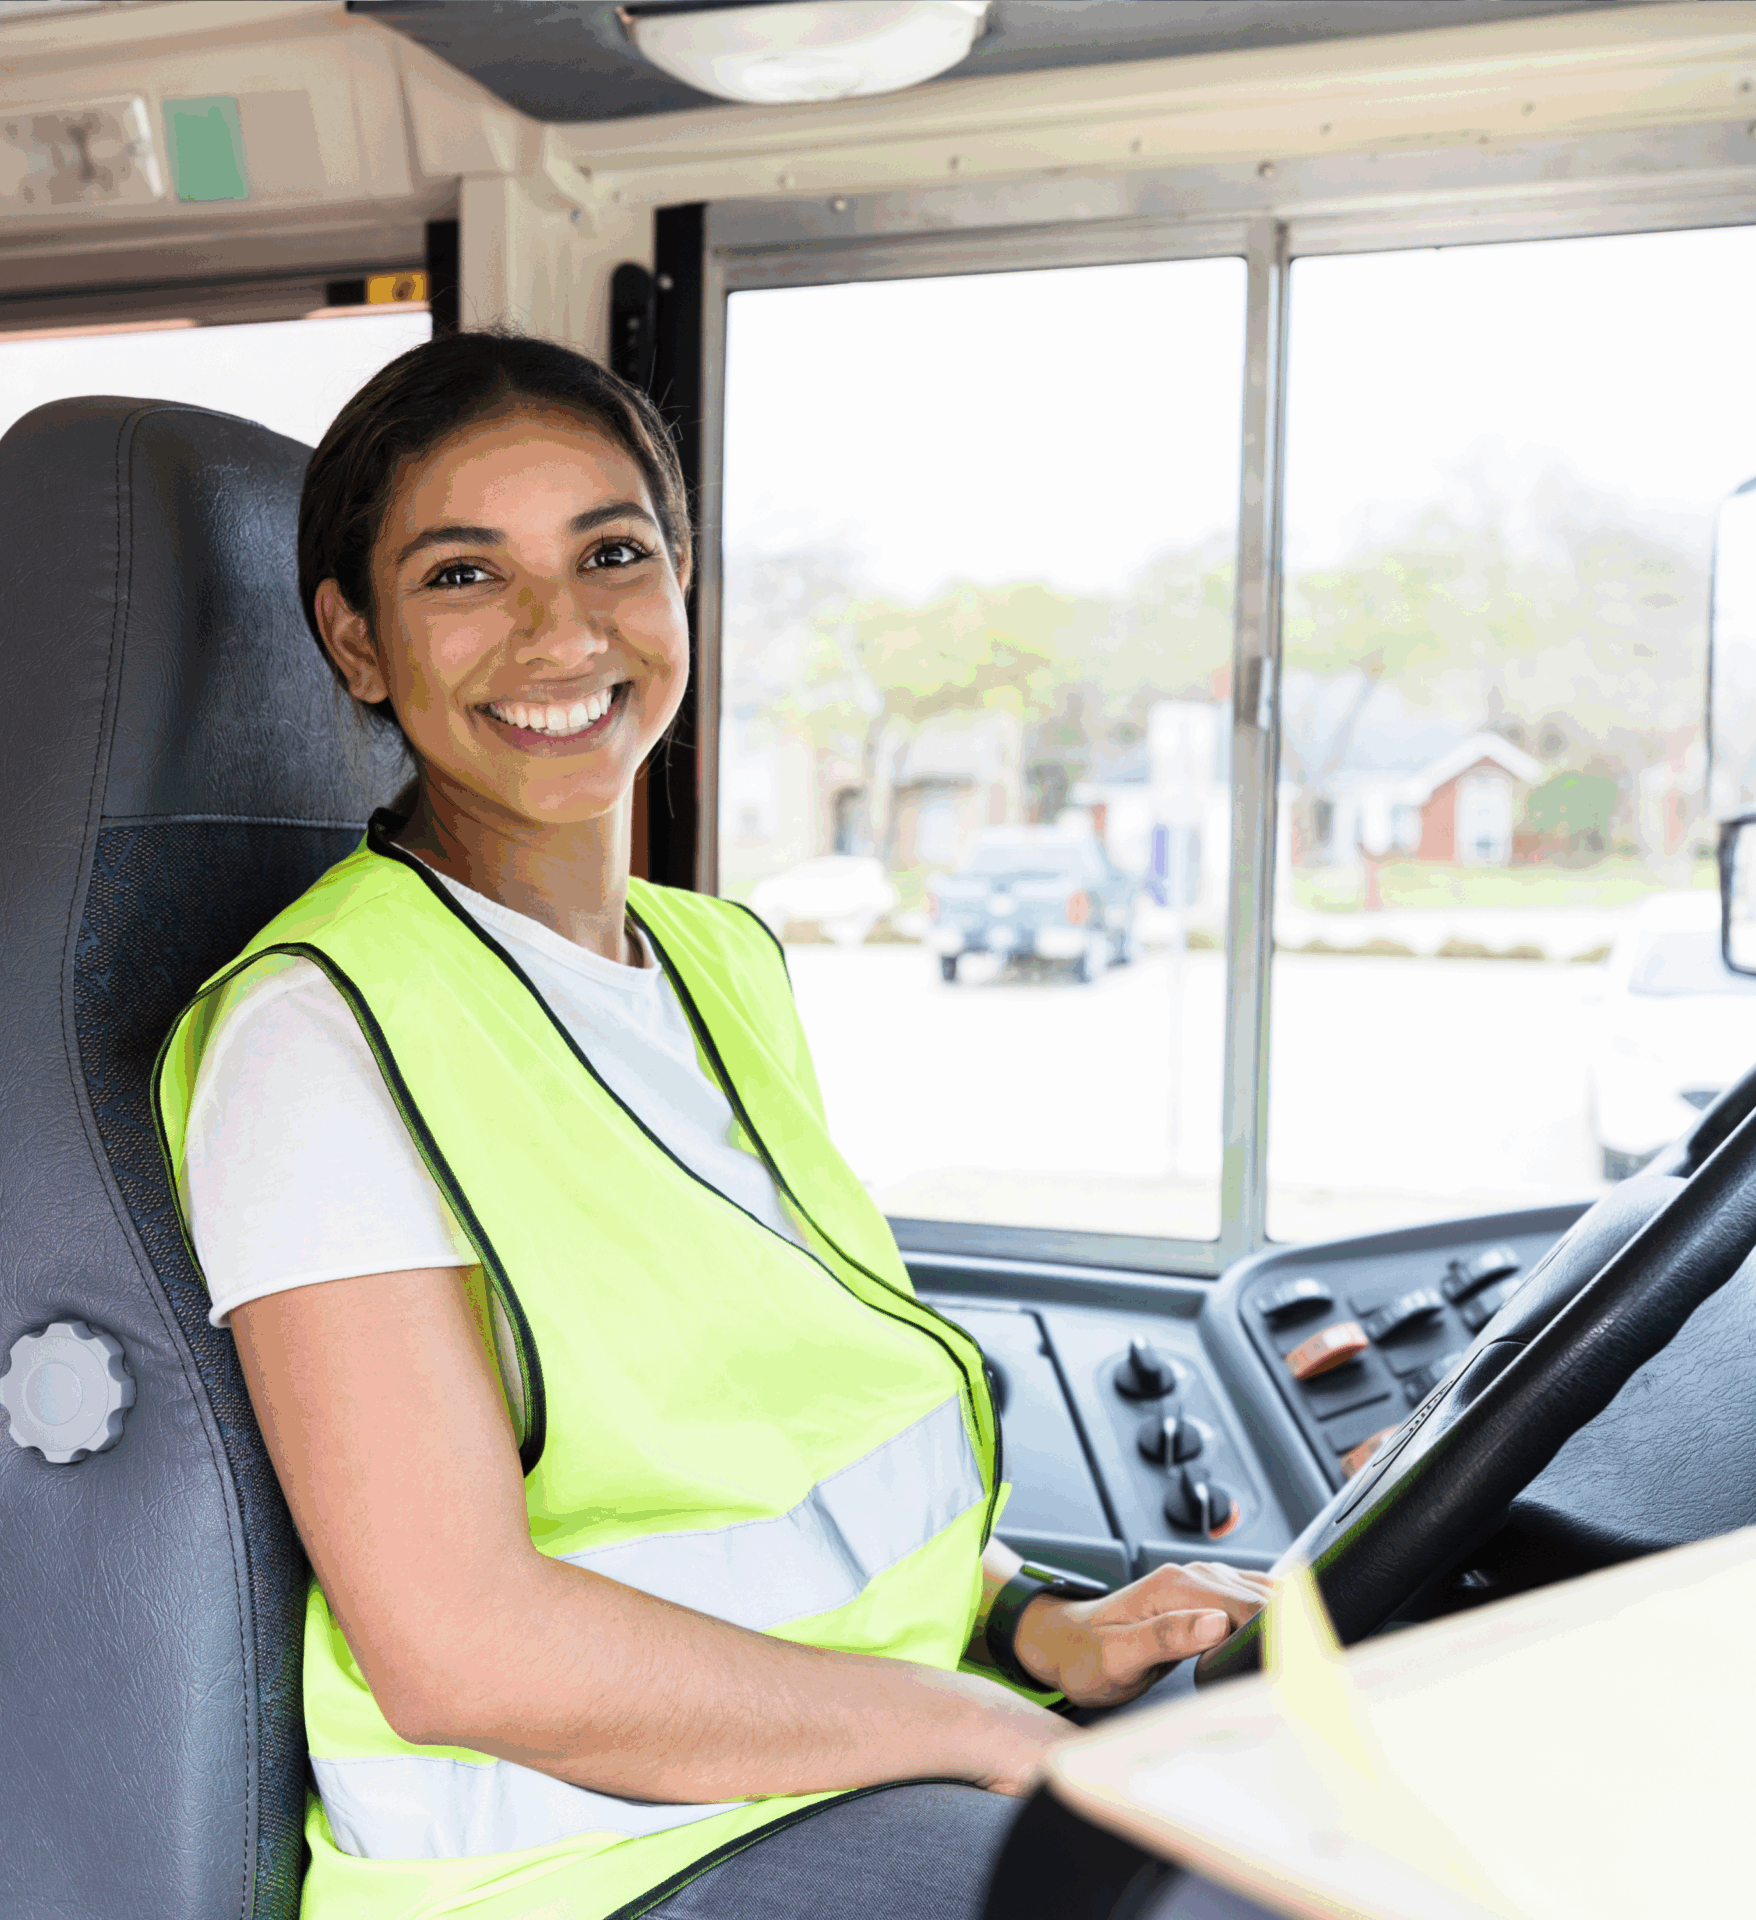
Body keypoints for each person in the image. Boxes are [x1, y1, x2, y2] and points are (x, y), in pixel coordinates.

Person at [153, 329, 1267, 1920]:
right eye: (463, 577)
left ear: (681, 584)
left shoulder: (719, 961)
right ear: (357, 642)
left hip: (815, 1769)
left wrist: (1026, 1626)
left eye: (610, 553)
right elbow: (457, 1646)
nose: (557, 633)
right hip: (577, 1864)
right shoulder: (312, 1036)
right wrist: (987, 1735)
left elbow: (778, 1445)